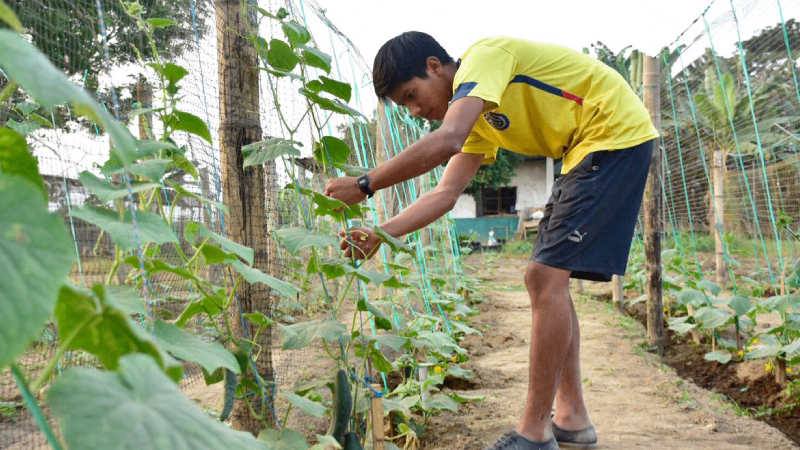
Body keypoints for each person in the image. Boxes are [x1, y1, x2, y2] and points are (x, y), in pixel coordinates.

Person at [324, 31, 658, 450]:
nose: (415, 111)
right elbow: (445, 194)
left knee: (543, 277)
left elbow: (446, 139)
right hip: (586, 150)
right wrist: (381, 233)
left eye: (411, 95)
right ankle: (572, 419)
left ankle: (534, 433)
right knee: (548, 279)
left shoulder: (484, 59)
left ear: (433, 66)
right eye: (404, 106)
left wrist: (365, 183)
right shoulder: (479, 119)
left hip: (612, 133)